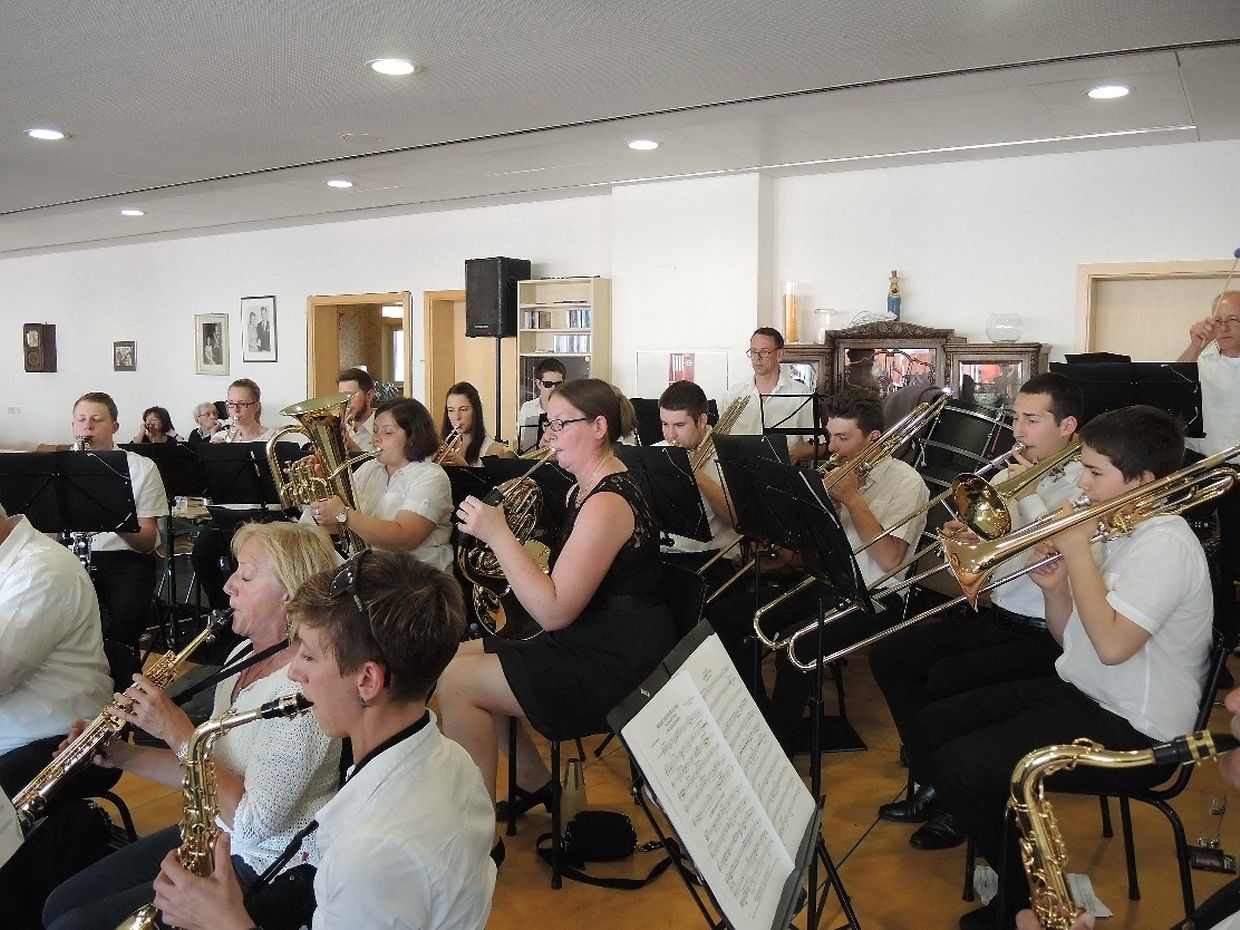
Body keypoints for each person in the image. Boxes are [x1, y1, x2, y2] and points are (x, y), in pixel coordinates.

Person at [913, 405, 1212, 930]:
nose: (1083, 484)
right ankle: (1018, 877)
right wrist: (1055, 591)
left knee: (962, 767)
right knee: (934, 724)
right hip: (1091, 693)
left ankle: (1020, 905)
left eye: (1095, 473)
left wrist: (1075, 553)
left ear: (1143, 481)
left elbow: (1113, 647)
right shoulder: (1119, 529)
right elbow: (1070, 638)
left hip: (1137, 727)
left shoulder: (1165, 544)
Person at [149, 550, 496, 930]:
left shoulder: (370, 852)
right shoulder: (453, 759)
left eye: (310, 657)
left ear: (367, 680)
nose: (294, 672)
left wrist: (224, 921)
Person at [43, 522, 342, 930]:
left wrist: (175, 729)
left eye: (245, 576)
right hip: (213, 836)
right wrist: (122, 755)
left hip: (267, 864)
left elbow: (253, 825)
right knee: (61, 903)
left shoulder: (302, 692)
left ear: (289, 593)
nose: (228, 586)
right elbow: (202, 772)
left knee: (73, 925)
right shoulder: (243, 654)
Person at [439, 378, 676, 850]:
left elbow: (553, 611)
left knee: (456, 684)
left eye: (561, 424)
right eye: (549, 424)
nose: (549, 435)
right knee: (451, 659)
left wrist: (498, 535)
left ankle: (473, 840)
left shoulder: (608, 502)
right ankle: (535, 784)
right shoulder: (584, 490)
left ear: (599, 427)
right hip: (594, 635)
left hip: (616, 660)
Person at [870, 372, 1084, 851]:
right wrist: (967, 540)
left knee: (947, 680)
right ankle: (935, 781)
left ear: (1067, 425)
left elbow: (1057, 550)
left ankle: (957, 798)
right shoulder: (1012, 473)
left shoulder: (1085, 480)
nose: (1018, 431)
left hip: (1046, 633)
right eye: (1016, 418)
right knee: (892, 657)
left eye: (1032, 420)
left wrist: (1026, 495)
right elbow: (992, 548)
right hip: (998, 615)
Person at [753, 386, 930, 755]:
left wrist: (851, 498)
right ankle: (758, 719)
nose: (832, 448)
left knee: (796, 645)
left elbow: (890, 560)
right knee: (741, 618)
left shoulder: (907, 483)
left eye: (843, 438)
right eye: (830, 436)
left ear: (874, 438)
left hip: (876, 595)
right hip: (831, 581)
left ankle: (777, 750)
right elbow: (807, 549)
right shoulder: (835, 471)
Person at [70, 392, 169, 672]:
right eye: (81, 419)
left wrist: (112, 517)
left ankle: (121, 683)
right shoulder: (59, 467)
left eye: (96, 419)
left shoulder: (141, 468)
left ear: (114, 427)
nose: (88, 426)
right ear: (73, 425)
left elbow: (147, 541)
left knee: (125, 619)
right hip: (70, 556)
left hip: (125, 558)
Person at [306, 398, 453, 571]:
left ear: (413, 438)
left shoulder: (431, 476)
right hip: (368, 571)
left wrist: (344, 514)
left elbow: (404, 538)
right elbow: (337, 529)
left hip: (416, 578)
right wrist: (322, 492)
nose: (376, 438)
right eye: (375, 430)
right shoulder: (369, 469)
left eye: (387, 432)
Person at [655, 380, 740, 580]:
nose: (670, 435)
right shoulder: (656, 451)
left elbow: (736, 520)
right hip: (661, 555)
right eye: (665, 424)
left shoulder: (729, 455)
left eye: (679, 425)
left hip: (711, 560)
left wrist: (697, 475)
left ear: (701, 421)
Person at [718, 327, 816, 464]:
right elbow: (719, 441)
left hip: (782, 471)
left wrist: (795, 454)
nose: (757, 358)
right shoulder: (732, 395)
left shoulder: (801, 395)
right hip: (741, 470)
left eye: (765, 352)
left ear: (780, 354)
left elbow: (818, 444)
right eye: (753, 351)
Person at [439, 381, 512, 466]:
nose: (457, 417)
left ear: (475, 411)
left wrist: (464, 466)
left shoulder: (492, 450)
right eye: (451, 410)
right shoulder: (443, 446)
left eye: (463, 409)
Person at [515, 358, 566, 454]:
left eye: (558, 384)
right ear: (538, 384)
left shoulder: (570, 410)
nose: (553, 389)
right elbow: (520, 441)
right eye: (548, 384)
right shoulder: (527, 408)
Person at [211, 378, 275, 443]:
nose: (235, 410)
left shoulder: (272, 438)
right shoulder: (220, 437)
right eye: (231, 403)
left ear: (256, 407)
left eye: (242, 404)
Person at [337, 367, 377, 453]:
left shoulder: (383, 430)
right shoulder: (337, 428)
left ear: (369, 396)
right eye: (341, 396)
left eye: (351, 395)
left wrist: (351, 446)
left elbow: (384, 462)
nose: (345, 402)